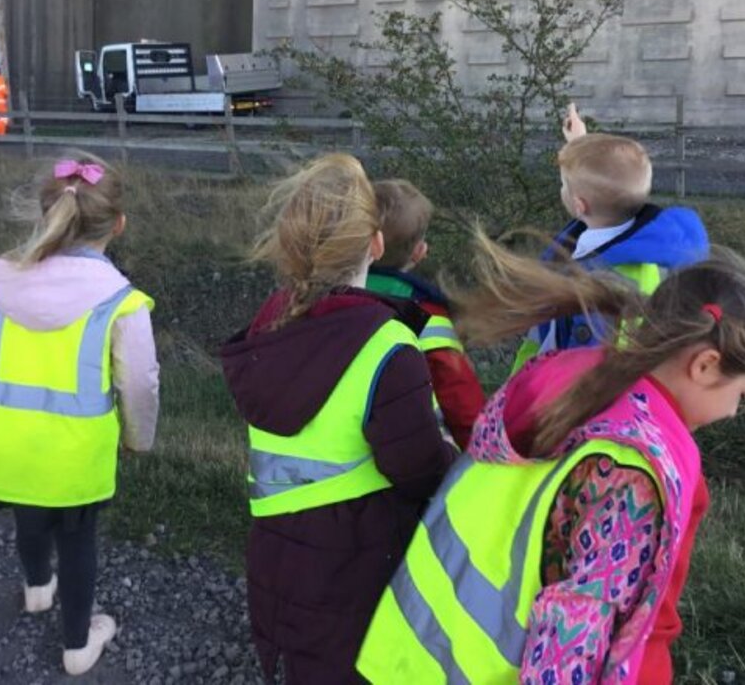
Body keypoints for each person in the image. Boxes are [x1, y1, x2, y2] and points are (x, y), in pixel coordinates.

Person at [356, 234, 745, 684]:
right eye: (743, 394)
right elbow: (572, 634)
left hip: (412, 654)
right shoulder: (632, 472)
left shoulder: (568, 379)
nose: (734, 412)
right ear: (705, 365)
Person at [0, 151, 161, 676]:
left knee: (27, 514)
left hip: (4, 443)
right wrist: (139, 437)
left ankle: (37, 588)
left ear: (45, 214)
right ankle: (77, 645)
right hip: (73, 455)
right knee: (78, 542)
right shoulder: (121, 302)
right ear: (118, 224)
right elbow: (140, 381)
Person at [221, 153, 458, 683]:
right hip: (356, 555)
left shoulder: (270, 323)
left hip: (277, 546)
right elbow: (419, 470)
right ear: (376, 244)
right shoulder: (386, 344)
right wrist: (455, 457)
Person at [511, 103, 710, 374]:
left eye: (563, 185)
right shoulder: (654, 245)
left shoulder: (601, 281)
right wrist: (578, 143)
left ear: (580, 205)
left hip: (568, 393)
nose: (562, 188)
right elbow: (606, 180)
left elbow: (583, 373)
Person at [364, 178, 487, 450]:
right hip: (412, 451)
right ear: (419, 252)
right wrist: (483, 449)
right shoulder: (429, 316)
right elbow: (458, 394)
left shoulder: (329, 298)